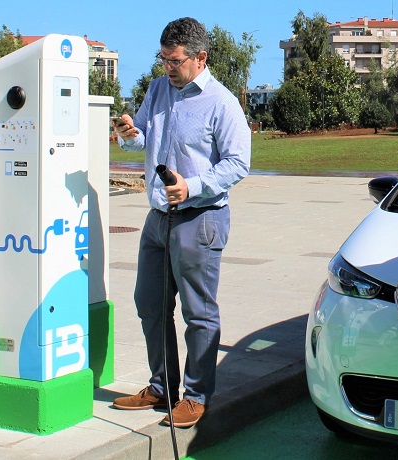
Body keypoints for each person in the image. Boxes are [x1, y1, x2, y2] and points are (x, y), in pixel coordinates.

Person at [110, 17, 251, 428]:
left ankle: (196, 395)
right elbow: (142, 139)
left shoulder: (222, 103)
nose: (167, 68)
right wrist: (128, 131)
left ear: (200, 57)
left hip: (200, 217)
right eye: (163, 59)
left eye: (174, 61)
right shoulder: (157, 89)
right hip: (158, 218)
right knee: (149, 304)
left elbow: (239, 163)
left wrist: (191, 186)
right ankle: (162, 386)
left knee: (198, 313)